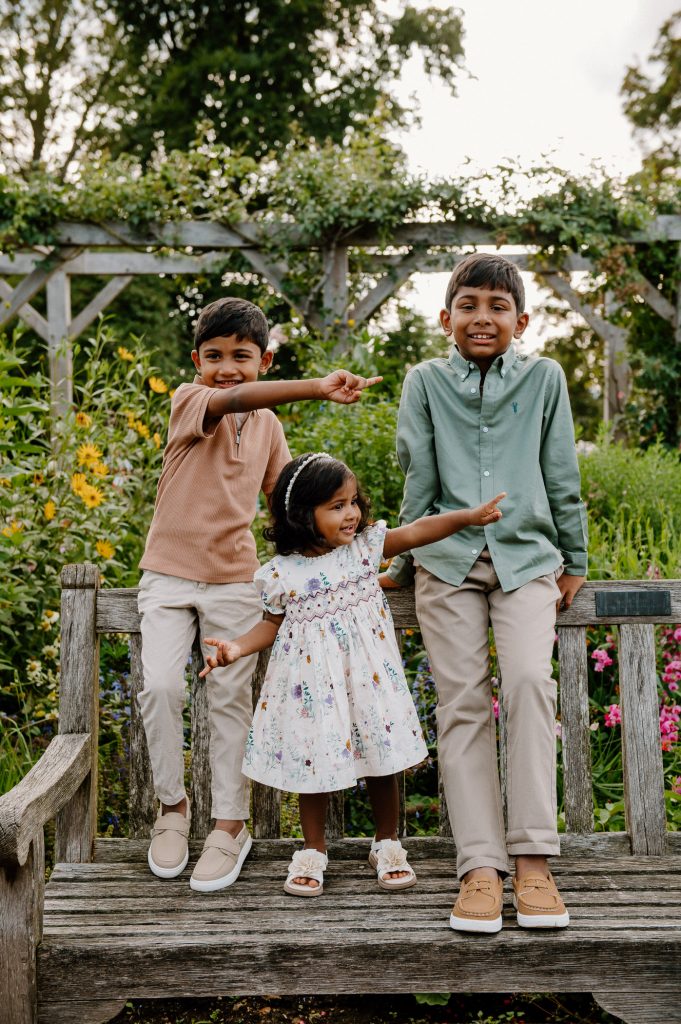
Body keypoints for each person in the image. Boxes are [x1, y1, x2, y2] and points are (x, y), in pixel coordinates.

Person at [137, 297, 381, 893]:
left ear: (265, 360)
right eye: (214, 356)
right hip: (167, 574)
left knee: (229, 701)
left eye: (241, 356)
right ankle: (172, 808)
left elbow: (287, 507)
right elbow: (233, 400)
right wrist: (318, 388)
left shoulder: (270, 427)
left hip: (234, 579)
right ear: (196, 361)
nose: (227, 368)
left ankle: (229, 825)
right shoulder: (190, 400)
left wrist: (346, 556)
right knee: (161, 686)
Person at [382, 252, 587, 932]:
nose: (482, 317)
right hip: (446, 563)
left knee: (528, 682)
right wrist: (403, 561)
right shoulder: (423, 382)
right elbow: (418, 478)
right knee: (462, 704)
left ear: (520, 322)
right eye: (468, 305)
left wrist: (576, 558)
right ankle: (479, 867)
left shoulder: (545, 378)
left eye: (498, 307)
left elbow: (560, 471)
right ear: (446, 318)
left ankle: (532, 860)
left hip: (526, 561)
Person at [199, 451, 505, 897]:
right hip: (312, 689)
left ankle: (387, 842)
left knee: (382, 760)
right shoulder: (282, 574)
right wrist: (236, 648)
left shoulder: (363, 550)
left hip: (368, 682)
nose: (352, 514)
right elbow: (270, 625)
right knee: (313, 761)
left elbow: (417, 531)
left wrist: (468, 517)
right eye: (337, 506)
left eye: (353, 502)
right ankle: (313, 850)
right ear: (303, 515)